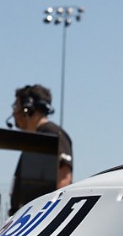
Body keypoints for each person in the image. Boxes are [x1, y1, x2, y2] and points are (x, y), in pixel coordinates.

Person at [6, 83, 74, 215]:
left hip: (41, 217)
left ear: (27, 107)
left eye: (16, 106)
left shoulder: (52, 134)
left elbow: (64, 179)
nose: (14, 112)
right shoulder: (35, 140)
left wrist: (49, 215)